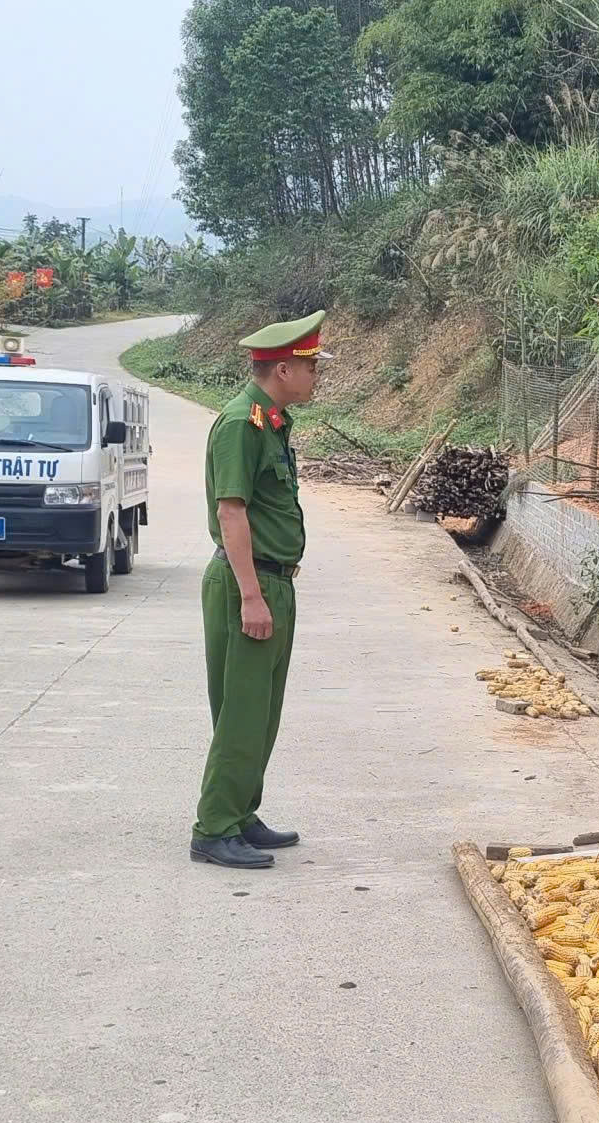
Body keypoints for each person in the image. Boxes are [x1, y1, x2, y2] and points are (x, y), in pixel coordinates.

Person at [190, 310, 332, 870]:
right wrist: (251, 595)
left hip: (276, 581)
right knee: (241, 711)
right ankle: (214, 827)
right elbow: (232, 512)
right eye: (310, 366)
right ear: (281, 370)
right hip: (247, 583)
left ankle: (242, 813)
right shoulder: (240, 425)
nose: (316, 376)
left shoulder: (272, 422)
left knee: (263, 710)